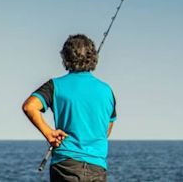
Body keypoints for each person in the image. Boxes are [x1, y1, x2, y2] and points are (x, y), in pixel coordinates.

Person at [22, 34, 117, 182]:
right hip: (97, 168)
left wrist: (49, 133)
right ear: (93, 57)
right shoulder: (107, 91)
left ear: (66, 57)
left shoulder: (55, 85)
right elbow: (107, 130)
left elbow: (29, 106)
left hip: (66, 165)